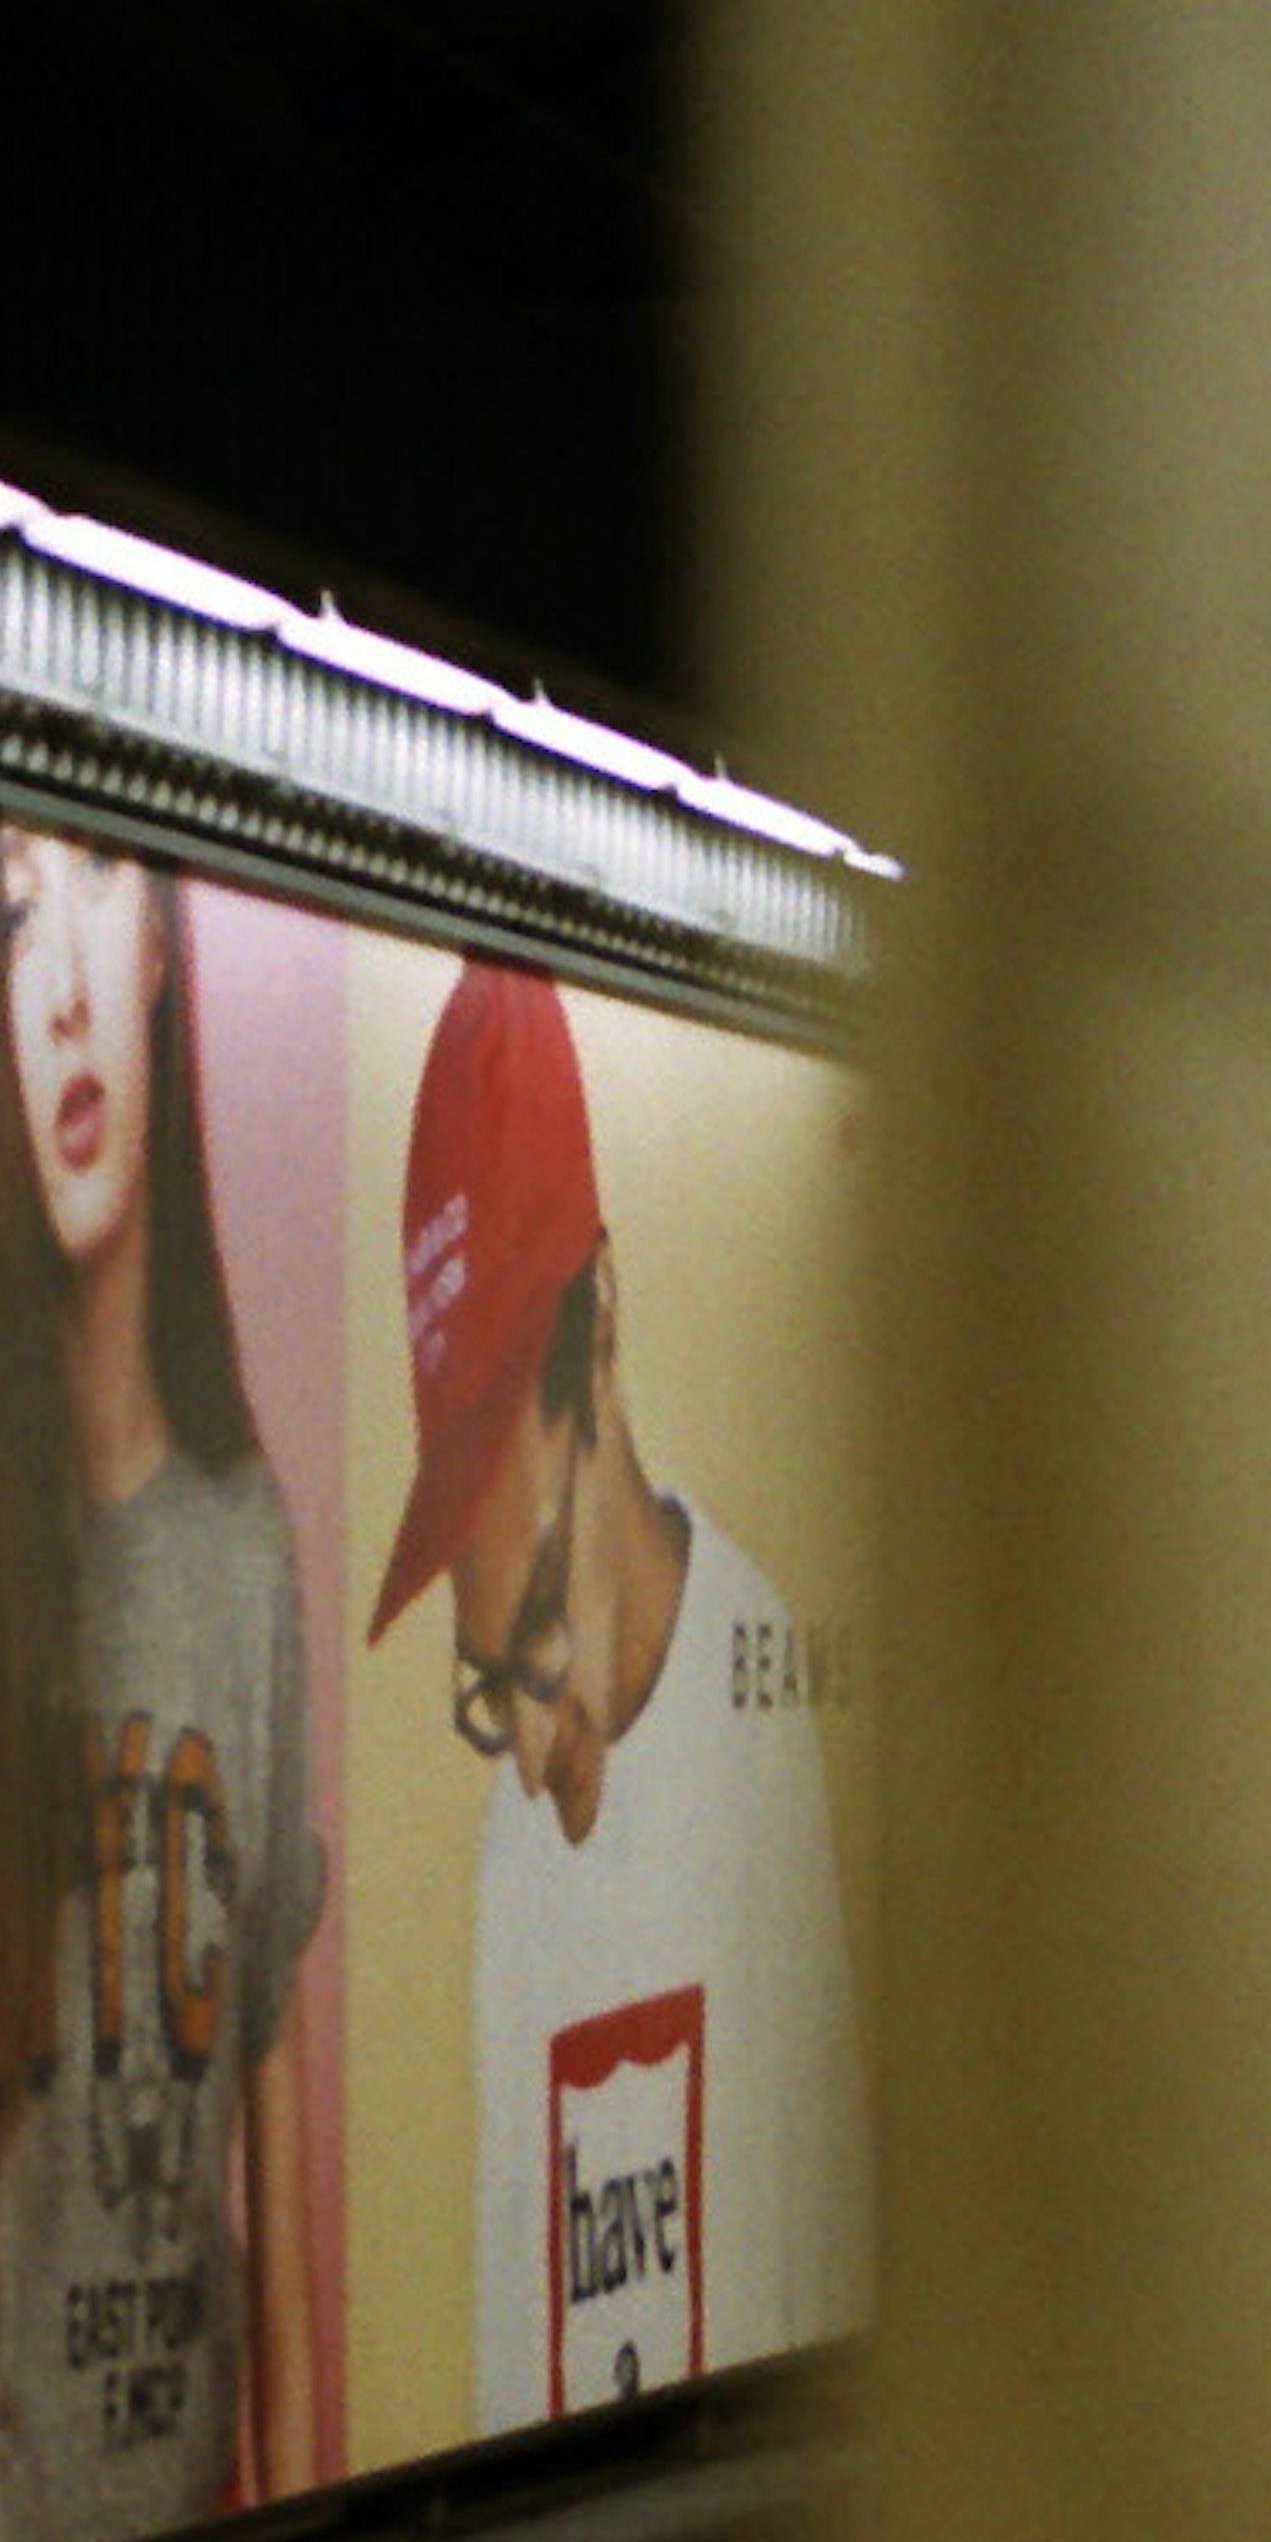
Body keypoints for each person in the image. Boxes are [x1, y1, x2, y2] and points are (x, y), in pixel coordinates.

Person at [0, 815, 327, 2542]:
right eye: (10, 923)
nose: (55, 989)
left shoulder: (242, 1544)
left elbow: (281, 2232)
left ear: (164, 944)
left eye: (97, 885)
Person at [366, 959, 870, 2430]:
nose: (527, 1750)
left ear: (602, 1344)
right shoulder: (511, 1853)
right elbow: (510, 2358)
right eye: (488, 1690)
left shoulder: (756, 1697)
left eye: (534, 1636)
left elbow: (832, 2259)